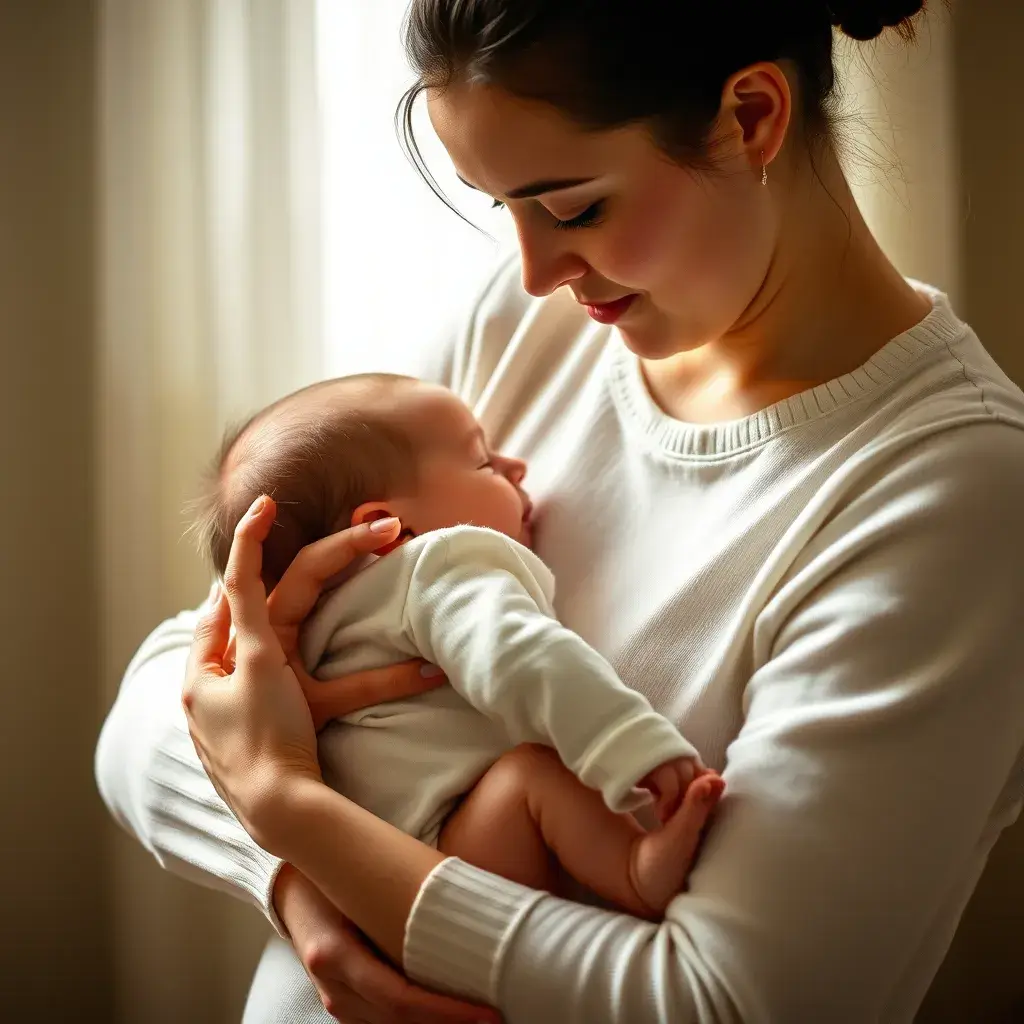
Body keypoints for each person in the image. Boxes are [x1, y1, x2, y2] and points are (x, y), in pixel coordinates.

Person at [95, 1, 1024, 1021]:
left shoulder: (950, 494)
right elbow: (152, 708)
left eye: (572, 207)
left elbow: (720, 1000)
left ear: (751, 115)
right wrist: (298, 885)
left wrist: (290, 809)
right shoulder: (525, 326)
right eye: (502, 208)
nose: (537, 270)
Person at [190, 370, 724, 919]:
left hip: (357, 881)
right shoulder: (434, 565)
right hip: (458, 854)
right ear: (388, 527)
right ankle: (635, 871)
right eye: (483, 463)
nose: (516, 466)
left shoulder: (298, 629)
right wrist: (631, 745)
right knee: (533, 773)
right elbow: (522, 656)